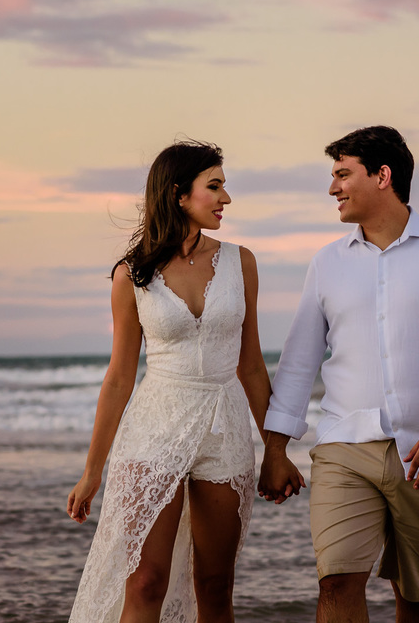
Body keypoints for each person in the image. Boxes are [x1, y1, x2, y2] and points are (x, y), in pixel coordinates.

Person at [258, 126, 419, 623]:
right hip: (344, 447)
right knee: (337, 582)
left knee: (417, 594)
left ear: (382, 176)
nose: (332, 188)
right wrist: (276, 449)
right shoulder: (326, 263)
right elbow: (300, 362)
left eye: (343, 174)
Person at [66, 140, 274, 623]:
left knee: (216, 585)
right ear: (180, 194)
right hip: (155, 426)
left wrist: (277, 450)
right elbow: (119, 377)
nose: (226, 199)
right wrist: (92, 471)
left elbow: (252, 366)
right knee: (145, 580)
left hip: (224, 427)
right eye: (215, 186)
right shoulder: (131, 274)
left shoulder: (241, 263)